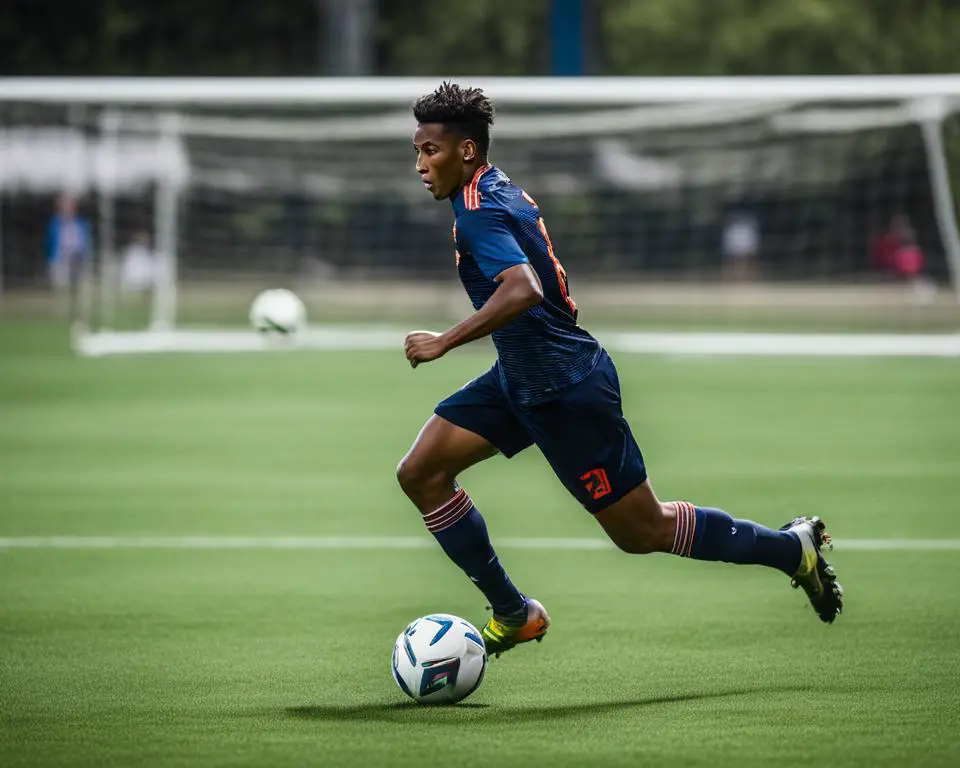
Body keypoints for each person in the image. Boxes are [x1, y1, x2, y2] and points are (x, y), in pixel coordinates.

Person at [398, 83, 843, 658]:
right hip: (521, 378)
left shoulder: (480, 211)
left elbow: (523, 290)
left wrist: (445, 341)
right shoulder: (490, 186)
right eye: (416, 151)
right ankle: (513, 613)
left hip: (565, 390)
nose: (419, 165)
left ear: (465, 151)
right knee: (422, 473)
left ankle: (792, 549)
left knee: (644, 532)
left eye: (429, 151)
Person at [46, 193, 92, 322]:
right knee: (62, 289)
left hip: (78, 259)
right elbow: (50, 243)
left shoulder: (80, 222)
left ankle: (80, 314)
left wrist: (83, 254)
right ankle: (62, 315)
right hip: (60, 260)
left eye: (70, 205)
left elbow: (85, 241)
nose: (68, 208)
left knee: (80, 288)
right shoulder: (54, 223)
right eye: (65, 205)